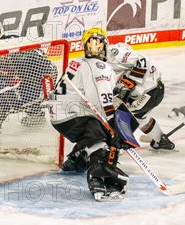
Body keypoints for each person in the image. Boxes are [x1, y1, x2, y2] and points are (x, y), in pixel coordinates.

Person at [50, 27, 129, 202]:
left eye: (98, 43)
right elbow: (101, 103)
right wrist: (115, 130)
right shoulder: (100, 67)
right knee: (102, 138)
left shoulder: (77, 61)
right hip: (71, 114)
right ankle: (96, 178)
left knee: (97, 130)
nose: (96, 47)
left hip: (58, 114)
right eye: (94, 43)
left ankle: (75, 160)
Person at [0, 19, 59, 134]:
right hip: (38, 80)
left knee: (3, 99)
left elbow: (6, 78)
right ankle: (36, 116)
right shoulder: (7, 43)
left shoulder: (12, 48)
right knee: (23, 91)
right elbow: (4, 76)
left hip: (45, 82)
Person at [106, 42, 175, 150]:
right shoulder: (103, 59)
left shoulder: (113, 53)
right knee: (139, 117)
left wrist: (129, 82)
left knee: (118, 111)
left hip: (150, 91)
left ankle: (116, 144)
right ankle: (161, 140)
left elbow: (142, 61)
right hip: (153, 90)